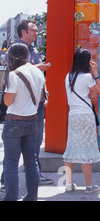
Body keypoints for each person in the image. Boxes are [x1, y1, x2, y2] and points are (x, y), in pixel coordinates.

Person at [2, 43, 45, 201]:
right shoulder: (38, 72)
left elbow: (8, 101)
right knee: (31, 161)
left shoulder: (14, 74)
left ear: (13, 56)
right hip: (32, 120)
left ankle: (11, 198)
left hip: (14, 122)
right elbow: (40, 99)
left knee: (11, 163)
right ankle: (31, 197)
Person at [16, 19, 52, 185]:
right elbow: (17, 71)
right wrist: (40, 67)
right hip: (23, 103)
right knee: (17, 142)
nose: (37, 33)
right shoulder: (17, 49)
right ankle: (5, 181)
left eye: (37, 30)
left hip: (37, 102)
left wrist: (44, 93)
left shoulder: (34, 50)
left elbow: (39, 76)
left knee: (36, 139)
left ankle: (36, 175)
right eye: (33, 30)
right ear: (23, 32)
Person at [63, 48, 100, 194]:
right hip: (86, 115)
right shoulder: (87, 77)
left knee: (71, 148)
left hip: (73, 115)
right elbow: (99, 90)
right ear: (87, 61)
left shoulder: (69, 76)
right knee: (86, 150)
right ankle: (89, 185)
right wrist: (95, 74)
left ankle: (68, 183)